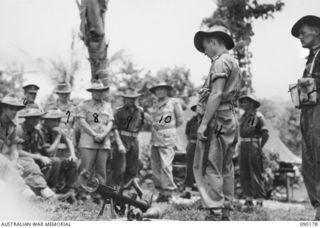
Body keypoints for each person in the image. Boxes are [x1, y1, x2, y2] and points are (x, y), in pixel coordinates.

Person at [193, 25, 241, 220]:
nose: (204, 53)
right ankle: (226, 208)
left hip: (219, 118)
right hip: (230, 116)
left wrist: (203, 124)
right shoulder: (234, 62)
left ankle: (214, 210)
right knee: (226, 166)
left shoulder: (220, 62)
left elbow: (218, 93)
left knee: (213, 164)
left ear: (214, 41)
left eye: (205, 47)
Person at [291, 15, 320, 220]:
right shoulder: (311, 57)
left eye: (304, 32)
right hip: (308, 112)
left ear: (317, 31)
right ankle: (317, 205)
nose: (300, 37)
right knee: (308, 158)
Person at [149, 82, 184, 202]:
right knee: (156, 166)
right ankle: (161, 192)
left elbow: (180, 120)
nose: (159, 92)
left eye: (162, 89)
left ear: (166, 91)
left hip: (167, 137)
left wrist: (168, 129)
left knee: (166, 166)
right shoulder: (154, 104)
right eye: (157, 90)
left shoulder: (173, 102)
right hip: (155, 138)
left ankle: (169, 193)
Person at [16, 106, 57, 199]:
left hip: (28, 157)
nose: (37, 120)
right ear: (27, 118)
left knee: (49, 163)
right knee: (32, 165)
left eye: (38, 117)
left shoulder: (36, 132)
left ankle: (39, 189)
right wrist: (38, 157)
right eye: (33, 117)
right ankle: (44, 191)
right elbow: (18, 151)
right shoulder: (19, 129)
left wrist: (41, 157)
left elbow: (34, 150)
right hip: (16, 157)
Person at [78, 81, 113, 188]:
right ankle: (83, 193)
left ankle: (100, 194)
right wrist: (94, 134)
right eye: (96, 92)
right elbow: (82, 121)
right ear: (92, 93)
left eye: (101, 92)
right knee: (85, 169)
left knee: (101, 170)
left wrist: (103, 134)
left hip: (103, 142)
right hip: (88, 141)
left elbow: (111, 121)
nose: (99, 94)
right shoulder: (84, 105)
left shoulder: (107, 106)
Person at [0, 93, 36, 199]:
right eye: (11, 109)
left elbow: (14, 149)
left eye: (16, 109)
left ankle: (44, 190)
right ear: (4, 108)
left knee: (29, 164)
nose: (14, 112)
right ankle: (25, 192)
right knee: (5, 163)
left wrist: (15, 161)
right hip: (2, 159)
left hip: (5, 158)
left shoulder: (12, 126)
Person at [238, 94, 269, 208]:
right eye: (242, 102)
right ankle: (248, 198)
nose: (243, 104)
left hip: (253, 143)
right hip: (243, 144)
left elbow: (266, 133)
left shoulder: (257, 116)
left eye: (246, 102)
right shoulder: (243, 117)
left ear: (252, 103)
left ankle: (260, 199)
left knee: (255, 172)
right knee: (244, 172)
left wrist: (260, 147)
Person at [40, 109, 78, 195]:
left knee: (72, 162)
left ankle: (68, 189)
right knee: (56, 161)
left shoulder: (56, 129)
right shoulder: (41, 130)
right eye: (54, 120)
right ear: (46, 121)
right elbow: (48, 152)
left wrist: (72, 155)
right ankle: (52, 187)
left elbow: (68, 141)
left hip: (51, 158)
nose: (57, 123)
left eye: (58, 120)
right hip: (40, 158)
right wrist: (58, 137)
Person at [113, 89, 144, 185]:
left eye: (134, 99)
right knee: (119, 167)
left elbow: (141, 125)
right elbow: (114, 128)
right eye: (129, 99)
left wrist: (135, 138)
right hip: (122, 139)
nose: (132, 101)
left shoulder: (140, 111)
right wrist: (119, 144)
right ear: (125, 99)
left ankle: (126, 189)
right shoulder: (119, 111)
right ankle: (115, 191)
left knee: (132, 167)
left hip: (134, 140)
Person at [180, 105, 201, 199]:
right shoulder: (191, 120)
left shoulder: (208, 121)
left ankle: (203, 192)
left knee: (203, 168)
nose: (199, 109)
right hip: (192, 144)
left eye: (201, 107)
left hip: (203, 145)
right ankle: (188, 191)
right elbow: (187, 134)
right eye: (197, 108)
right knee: (189, 167)